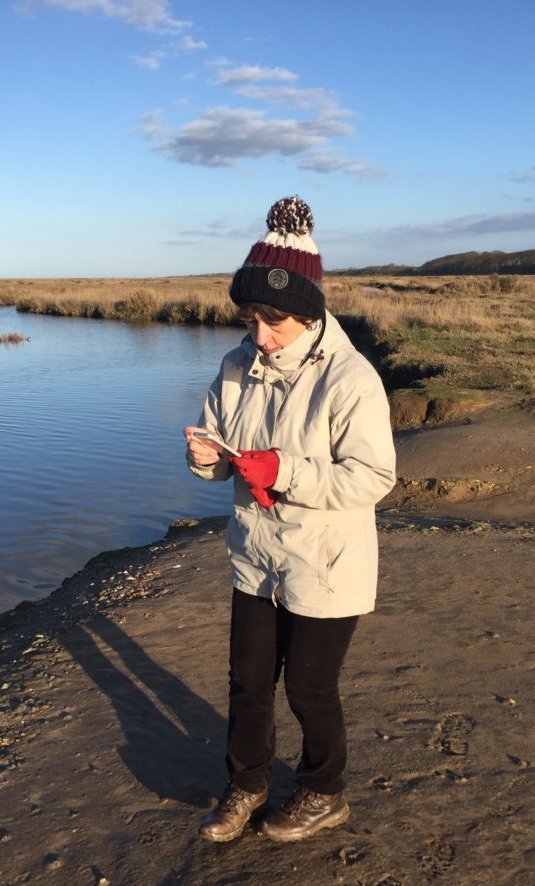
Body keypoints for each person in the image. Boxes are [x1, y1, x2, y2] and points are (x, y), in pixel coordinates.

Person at [184, 196, 396, 843]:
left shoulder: (352, 379)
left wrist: (286, 472)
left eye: (273, 322)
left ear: (309, 314)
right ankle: (246, 785)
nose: (260, 335)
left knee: (308, 689)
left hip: (327, 562)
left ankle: (323, 792)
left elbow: (374, 478)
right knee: (248, 683)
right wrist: (203, 459)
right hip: (255, 555)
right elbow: (224, 458)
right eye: (252, 318)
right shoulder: (233, 368)